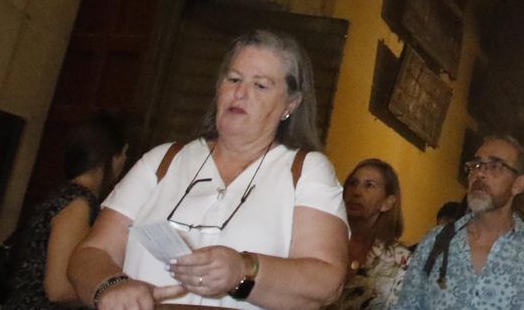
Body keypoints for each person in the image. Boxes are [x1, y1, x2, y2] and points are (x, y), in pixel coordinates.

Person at [69, 30, 349, 310]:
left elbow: (326, 282)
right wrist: (109, 285)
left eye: (260, 85)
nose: (240, 93)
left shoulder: (306, 171)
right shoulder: (163, 160)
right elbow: (91, 253)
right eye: (234, 79)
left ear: (290, 104)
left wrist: (244, 270)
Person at [390, 134, 524, 310]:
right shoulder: (436, 241)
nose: (480, 173)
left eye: (495, 166)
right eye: (475, 165)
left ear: (519, 184)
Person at [2, 113, 129, 310]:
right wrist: (108, 294)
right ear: (109, 157)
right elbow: (59, 289)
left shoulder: (65, 194)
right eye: (123, 153)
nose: (124, 161)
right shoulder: (78, 203)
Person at [328, 159, 410, 310]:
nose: (357, 192)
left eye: (369, 186)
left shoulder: (399, 259)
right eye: (353, 183)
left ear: (388, 202)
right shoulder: (321, 238)